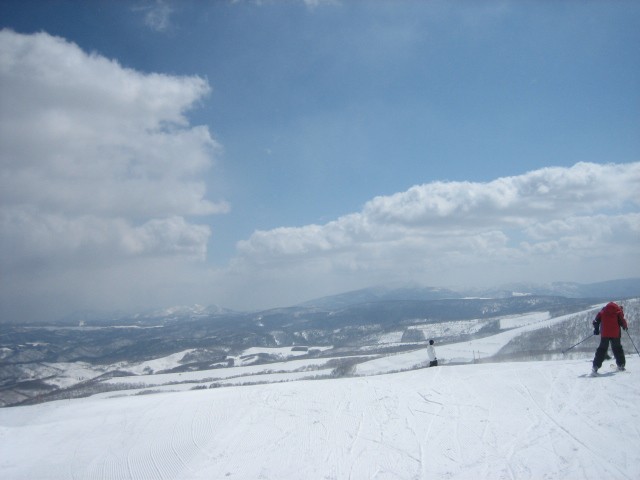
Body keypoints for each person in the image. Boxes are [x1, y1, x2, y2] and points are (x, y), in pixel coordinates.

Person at [591, 302, 628, 375]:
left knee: (602, 349)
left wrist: (596, 329)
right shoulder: (618, 311)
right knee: (617, 348)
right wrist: (625, 327)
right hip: (615, 333)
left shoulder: (603, 311)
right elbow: (622, 320)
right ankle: (621, 364)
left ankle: (596, 366)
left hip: (605, 333)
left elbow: (596, 321)